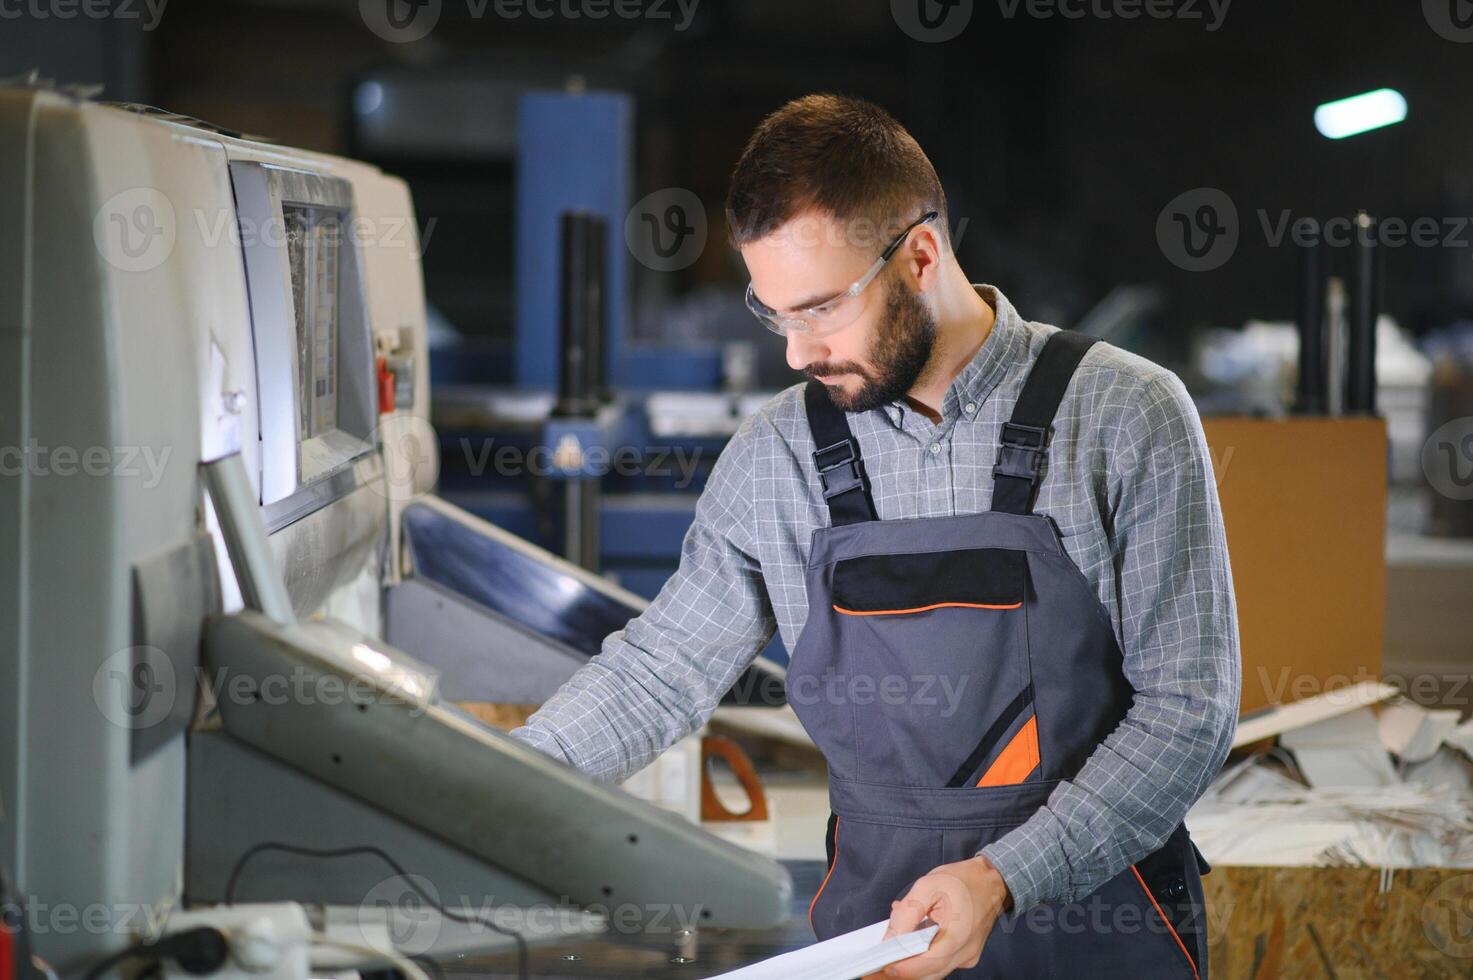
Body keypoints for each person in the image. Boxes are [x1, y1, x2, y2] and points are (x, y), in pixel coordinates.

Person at [512, 93, 1240, 979]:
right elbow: (660, 672)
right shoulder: (778, 454)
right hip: (879, 941)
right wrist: (484, 790)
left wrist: (1002, 878)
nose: (795, 353)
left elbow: (1189, 713)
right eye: (774, 313)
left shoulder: (1125, 413)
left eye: (819, 309)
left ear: (920, 255)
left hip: (1100, 931)